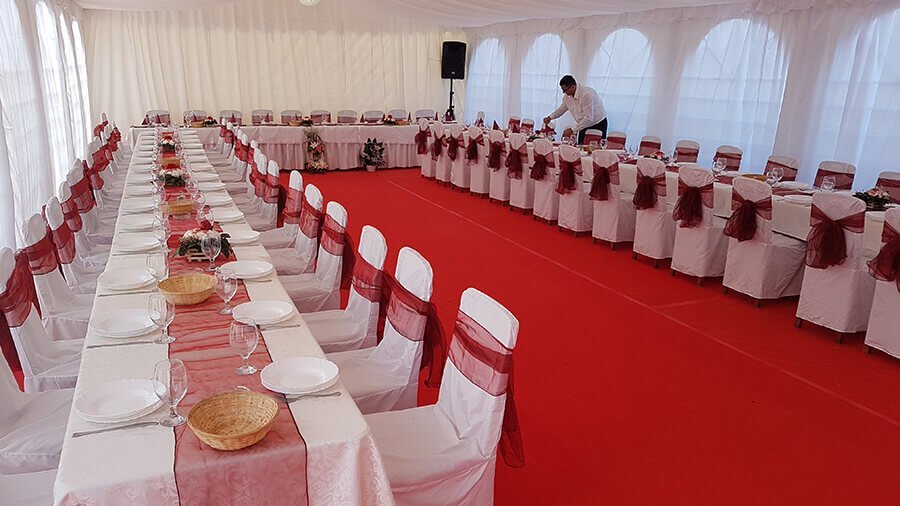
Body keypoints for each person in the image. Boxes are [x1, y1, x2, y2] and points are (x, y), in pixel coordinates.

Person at [543, 75, 607, 145]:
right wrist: (550, 117)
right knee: (580, 146)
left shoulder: (586, 95)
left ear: (573, 87)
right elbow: (562, 109)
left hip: (597, 124)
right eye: (562, 89)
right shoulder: (567, 97)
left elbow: (588, 118)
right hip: (583, 124)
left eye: (565, 90)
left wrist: (572, 130)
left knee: (595, 149)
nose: (563, 92)